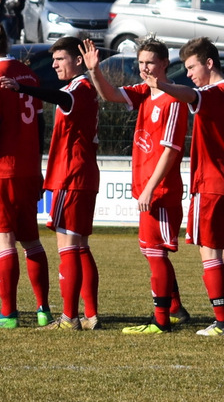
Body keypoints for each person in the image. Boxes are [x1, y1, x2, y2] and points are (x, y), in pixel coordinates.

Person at [139, 37, 224, 336]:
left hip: (211, 184)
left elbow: (189, 95)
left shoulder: (213, 93)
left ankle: (222, 322)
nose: (189, 74)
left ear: (209, 63)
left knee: (210, 253)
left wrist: (162, 85)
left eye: (192, 67)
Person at [82, 37, 191, 334]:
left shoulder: (173, 100)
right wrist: (94, 70)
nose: (145, 68)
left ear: (165, 63)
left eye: (150, 63)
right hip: (147, 188)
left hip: (161, 191)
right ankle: (174, 308)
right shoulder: (144, 92)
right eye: (141, 63)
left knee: (155, 252)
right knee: (151, 251)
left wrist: (150, 188)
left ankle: (161, 320)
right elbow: (109, 95)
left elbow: (170, 151)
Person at [0, 36, 101, 331]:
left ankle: (69, 318)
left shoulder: (78, 89)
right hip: (83, 174)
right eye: (53, 59)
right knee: (80, 245)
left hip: (71, 175)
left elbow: (59, 98)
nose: (54, 65)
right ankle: (90, 315)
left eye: (60, 59)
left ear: (78, 60)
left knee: (68, 245)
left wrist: (23, 88)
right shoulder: (84, 89)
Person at [0, 17, 51, 329]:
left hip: (1, 170)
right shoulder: (28, 73)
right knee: (31, 241)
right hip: (27, 169)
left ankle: (8, 314)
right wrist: (37, 164)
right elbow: (40, 124)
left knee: (4, 240)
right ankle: (43, 310)